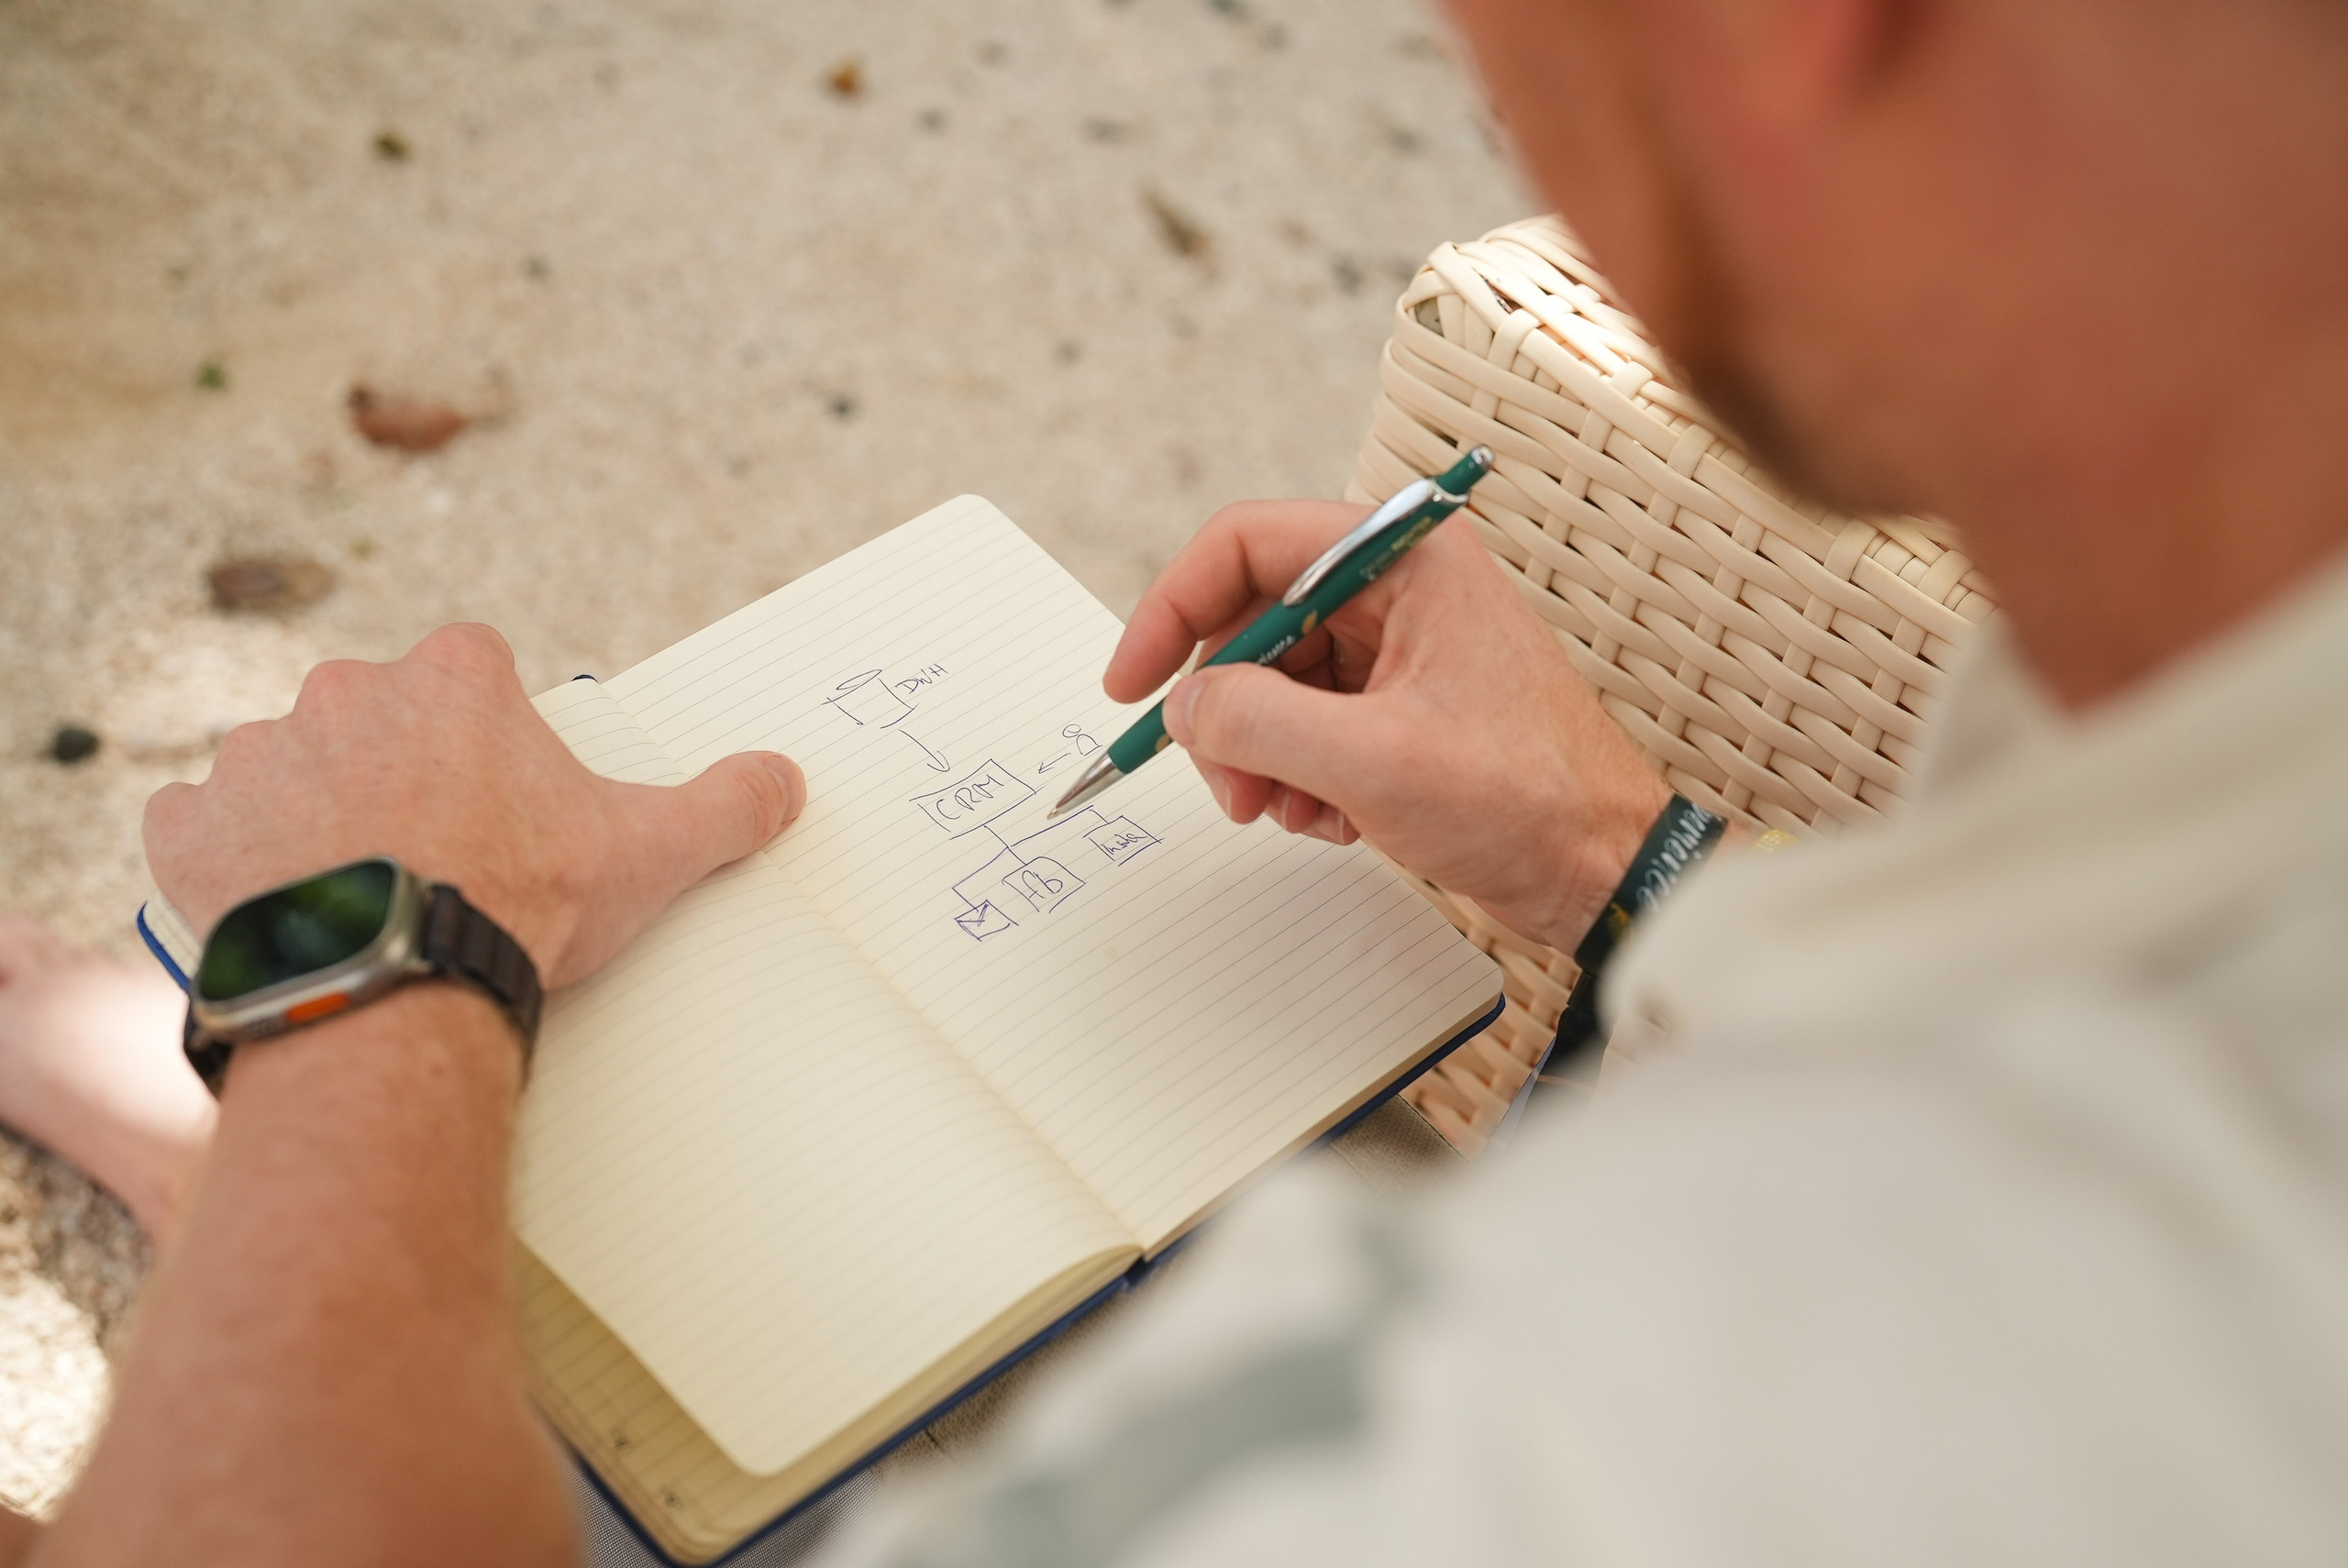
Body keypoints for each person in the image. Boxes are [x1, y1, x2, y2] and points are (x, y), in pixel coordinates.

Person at [6, 0, 2348, 1561]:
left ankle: (268, 1196)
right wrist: (1612, 860)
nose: (1486, 85)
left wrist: (364, 985)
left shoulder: (1625, 1426)